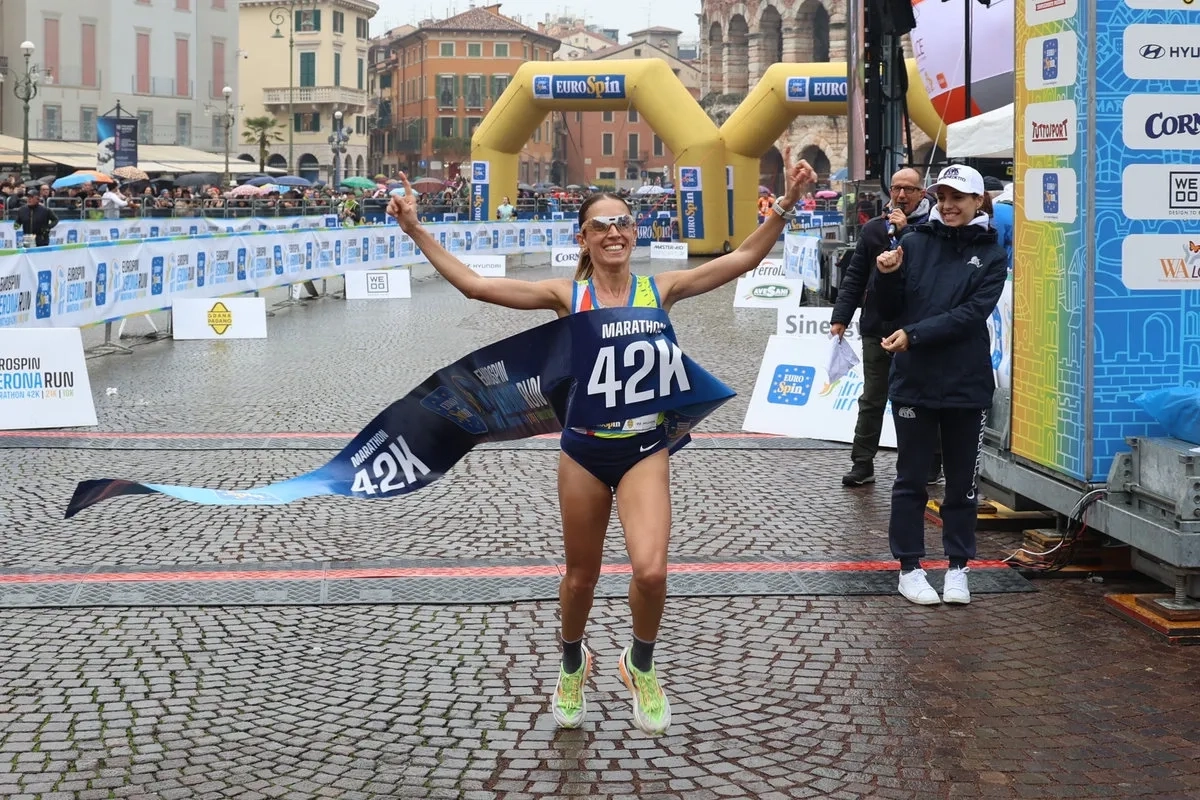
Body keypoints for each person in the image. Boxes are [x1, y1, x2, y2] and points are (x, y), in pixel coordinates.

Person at [387, 151, 817, 735]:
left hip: (644, 448)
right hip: (584, 451)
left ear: (635, 233)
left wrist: (786, 204)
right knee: (579, 578)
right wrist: (415, 228)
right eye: (600, 225)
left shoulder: (661, 288)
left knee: (652, 572)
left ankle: (639, 663)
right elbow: (474, 286)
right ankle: (573, 662)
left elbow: (741, 258)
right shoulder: (568, 296)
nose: (613, 232)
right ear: (583, 239)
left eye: (622, 223)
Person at [872, 164, 1007, 606]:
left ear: (978, 202)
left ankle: (958, 568)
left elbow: (971, 313)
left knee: (961, 487)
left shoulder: (992, 253)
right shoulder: (912, 241)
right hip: (914, 381)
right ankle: (909, 568)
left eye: (958, 199)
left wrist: (916, 334)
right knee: (910, 480)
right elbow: (886, 311)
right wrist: (886, 274)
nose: (948, 206)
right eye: (943, 197)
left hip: (966, 384)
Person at [831, 167, 934, 487]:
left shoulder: (933, 228)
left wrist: (904, 234)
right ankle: (862, 462)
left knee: (924, 397)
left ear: (922, 193)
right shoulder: (874, 230)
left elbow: (924, 269)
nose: (901, 195)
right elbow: (856, 276)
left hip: (919, 329)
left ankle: (930, 462)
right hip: (878, 326)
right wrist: (841, 317)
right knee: (873, 396)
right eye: (895, 188)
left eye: (908, 189)